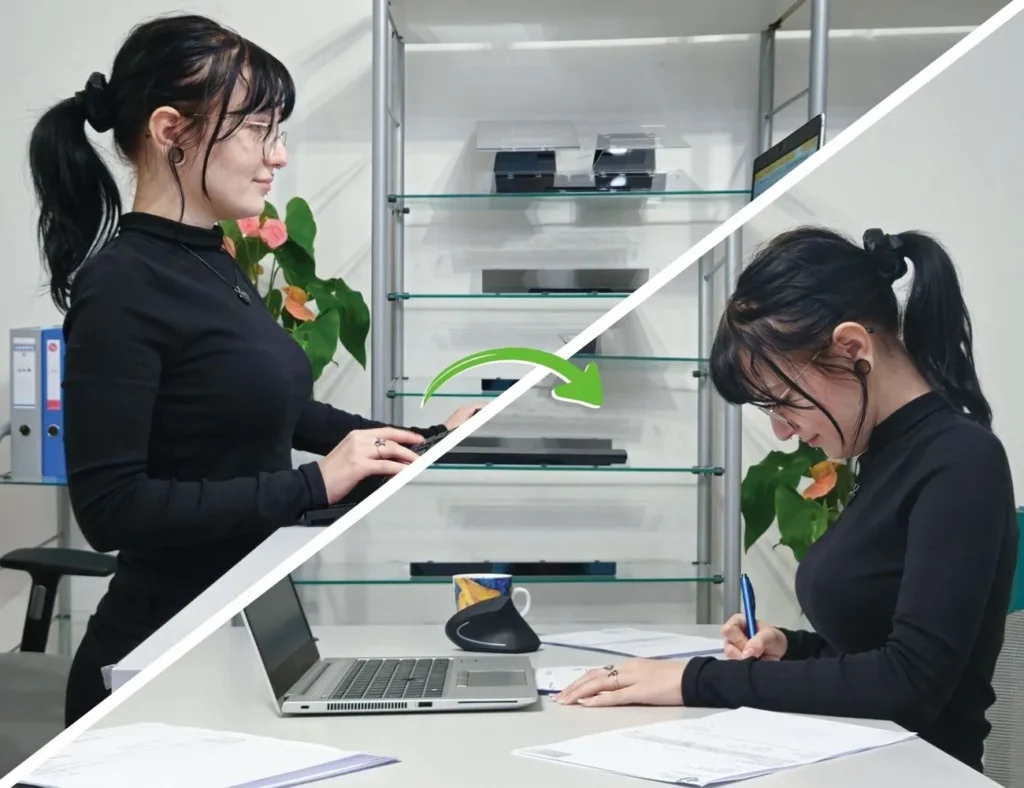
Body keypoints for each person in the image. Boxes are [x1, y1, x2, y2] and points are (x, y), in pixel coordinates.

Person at [28, 13, 478, 726]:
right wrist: (313, 482)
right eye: (259, 130)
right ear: (171, 130)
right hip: (155, 663)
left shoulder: (211, 260)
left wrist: (425, 437)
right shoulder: (122, 284)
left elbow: (276, 410)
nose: (279, 155)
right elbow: (110, 509)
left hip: (234, 634)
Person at [555, 226, 1019, 773]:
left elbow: (911, 684)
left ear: (852, 349)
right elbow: (882, 643)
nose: (781, 432)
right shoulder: (887, 455)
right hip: (853, 758)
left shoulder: (960, 459)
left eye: (783, 403)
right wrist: (794, 650)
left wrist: (692, 679)